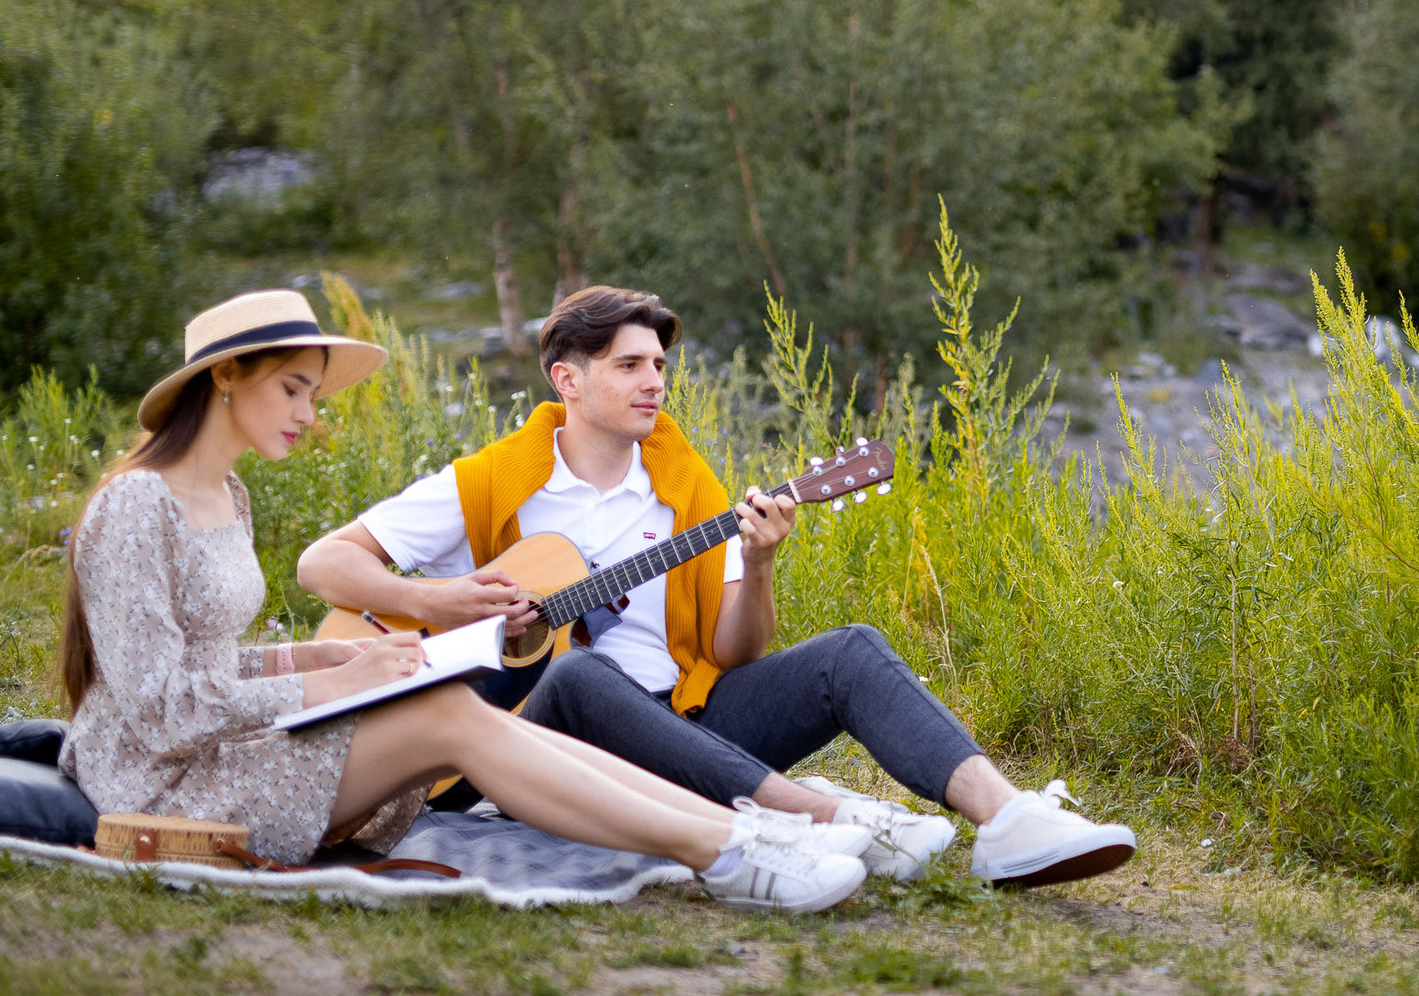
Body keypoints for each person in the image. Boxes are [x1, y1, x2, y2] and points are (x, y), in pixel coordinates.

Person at [57, 288, 871, 913]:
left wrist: (323, 654)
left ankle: (753, 830)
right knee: (447, 715)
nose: (310, 413)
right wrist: (327, 684)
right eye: (295, 390)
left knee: (451, 703)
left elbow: (206, 657)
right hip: (167, 783)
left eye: (313, 394)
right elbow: (161, 710)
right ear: (226, 376)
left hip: (236, 746)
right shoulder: (138, 504)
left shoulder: (224, 493)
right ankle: (728, 853)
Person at [297, 285, 1136, 889]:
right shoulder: (487, 481)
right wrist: (442, 602)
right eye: (628, 364)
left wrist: (762, 561)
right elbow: (323, 565)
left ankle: (1008, 818)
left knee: (851, 651)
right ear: (568, 380)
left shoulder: (687, 492)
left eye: (658, 364)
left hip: (686, 723)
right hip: (547, 747)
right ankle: (825, 817)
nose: (653, 381)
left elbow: (736, 651)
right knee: (582, 672)